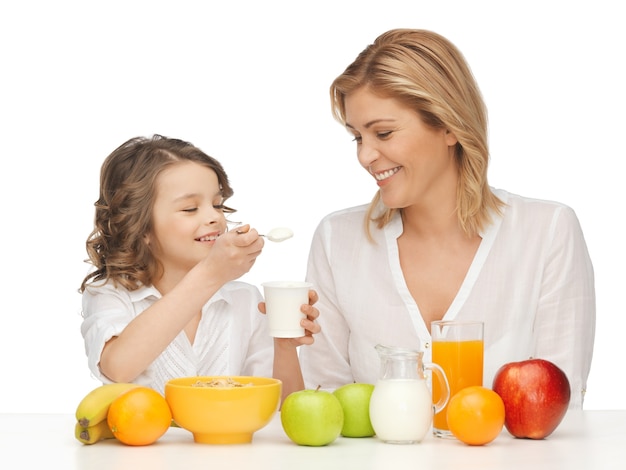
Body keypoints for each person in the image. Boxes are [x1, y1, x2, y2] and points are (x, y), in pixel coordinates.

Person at [298, 29, 595, 409]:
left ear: (450, 126)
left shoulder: (548, 232)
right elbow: (325, 406)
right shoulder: (336, 240)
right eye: (357, 137)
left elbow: (558, 410)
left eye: (383, 133)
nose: (365, 156)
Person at [79, 134, 320, 401]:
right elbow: (118, 368)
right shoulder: (110, 295)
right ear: (141, 226)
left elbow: (283, 408)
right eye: (190, 208)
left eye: (217, 204)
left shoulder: (245, 300)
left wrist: (283, 345)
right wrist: (210, 274)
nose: (214, 217)